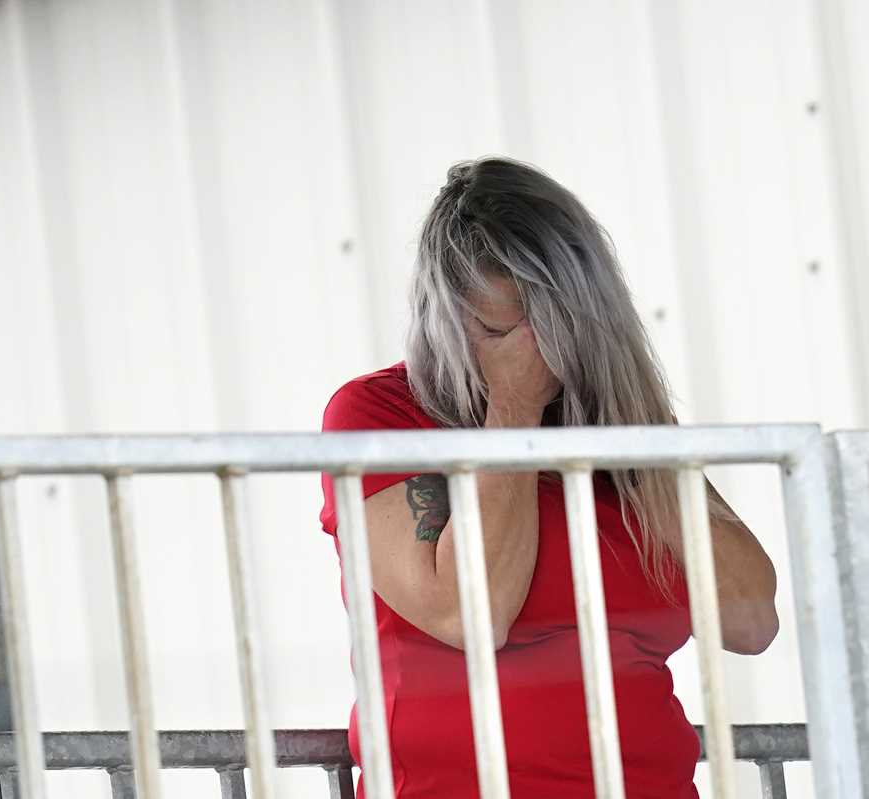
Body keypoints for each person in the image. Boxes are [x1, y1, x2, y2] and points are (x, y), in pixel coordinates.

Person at [318, 156, 779, 799]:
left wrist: (635, 419)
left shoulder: (618, 430)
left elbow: (751, 622)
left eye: (559, 331)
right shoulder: (382, 413)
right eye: (501, 332)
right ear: (444, 314)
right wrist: (514, 410)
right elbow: (469, 614)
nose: (536, 356)